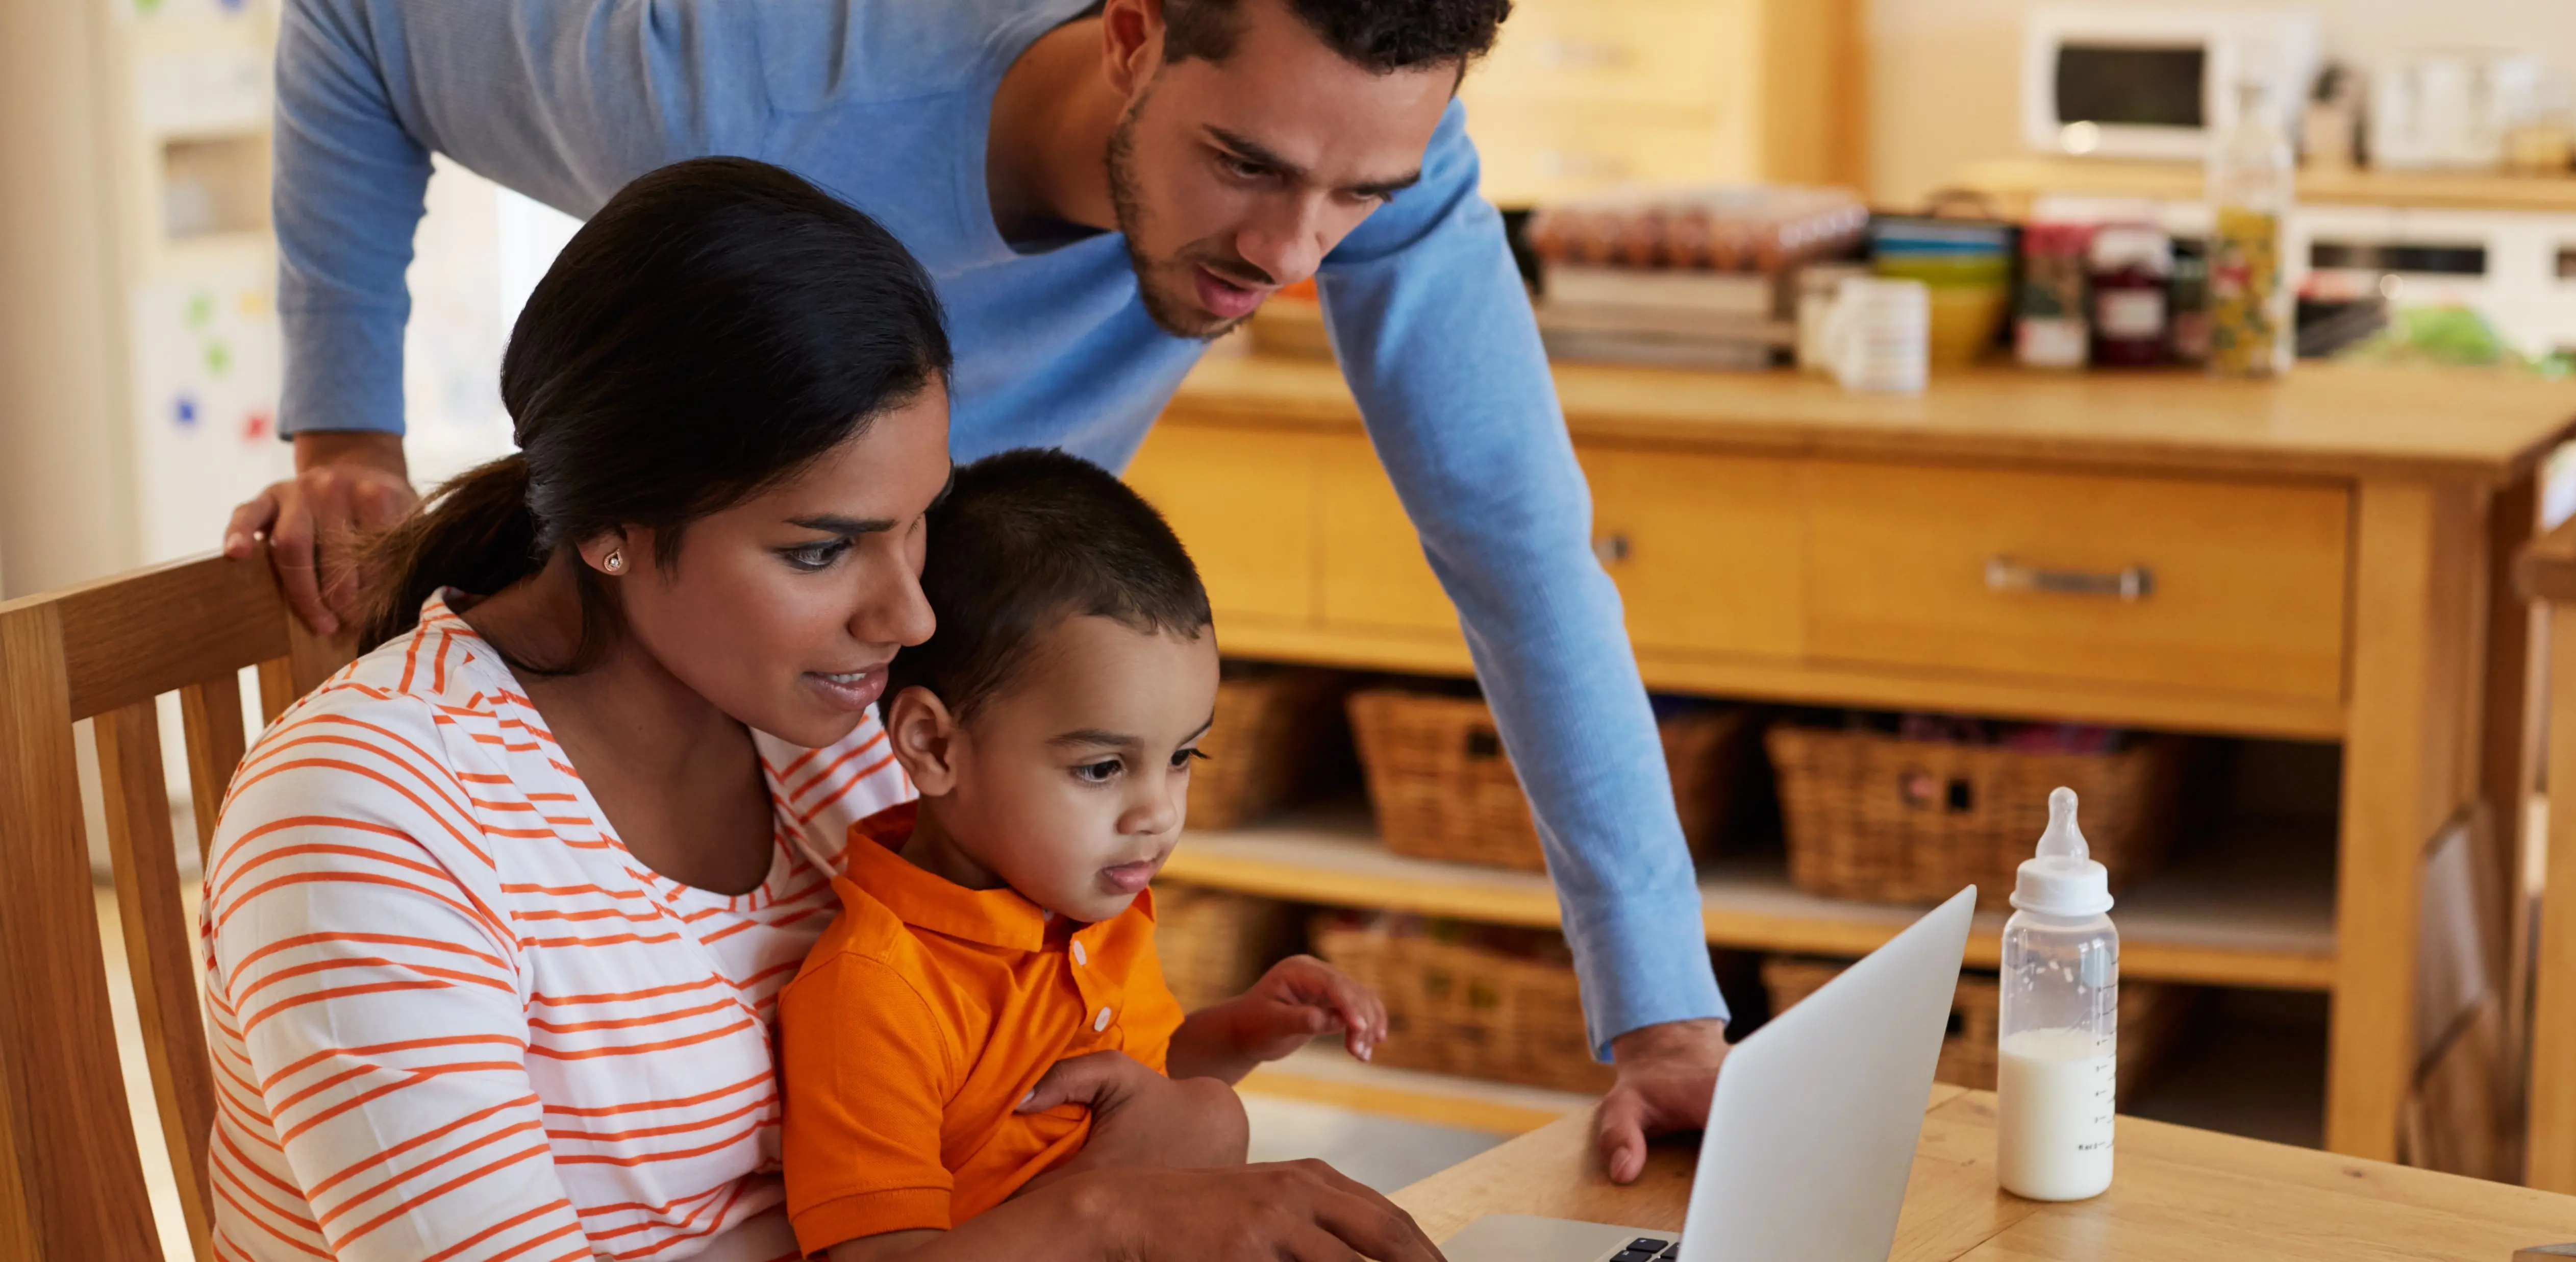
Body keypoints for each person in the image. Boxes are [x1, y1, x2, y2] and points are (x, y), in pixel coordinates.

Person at [225, 0, 1731, 1175]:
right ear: (1132, 36)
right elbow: (358, 24)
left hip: (864, 754)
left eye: (1356, 197)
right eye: (1244, 166)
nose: (1287, 258)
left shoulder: (1355, 144)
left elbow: (1522, 554)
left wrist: (1664, 1020)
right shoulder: (741, 96)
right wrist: (344, 417)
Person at [204, 156, 1440, 1262]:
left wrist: (1167, 1123)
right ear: (610, 531)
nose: (905, 618)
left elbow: (1017, 1075)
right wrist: (1101, 1216)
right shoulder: (365, 817)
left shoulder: (853, 734)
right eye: (821, 551)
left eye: (914, 526)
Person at [779, 448, 1397, 1260]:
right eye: (1101, 768)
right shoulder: (875, 990)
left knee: (1208, 1111)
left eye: (1183, 758)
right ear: (932, 745)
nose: (1157, 813)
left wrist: (1239, 1034)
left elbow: (1120, 1093)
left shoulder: (1085, 907)